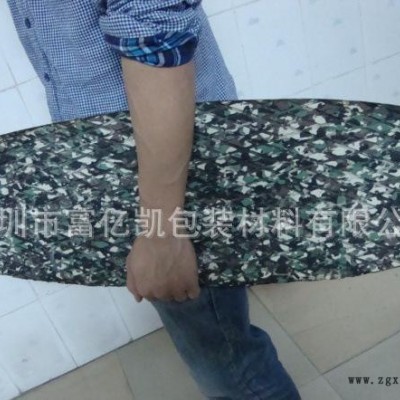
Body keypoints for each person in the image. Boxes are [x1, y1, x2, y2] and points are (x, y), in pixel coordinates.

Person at [7, 1, 301, 398]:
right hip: (131, 162)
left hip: (172, 169)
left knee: (231, 366)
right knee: (220, 338)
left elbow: (157, 30)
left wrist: (162, 233)